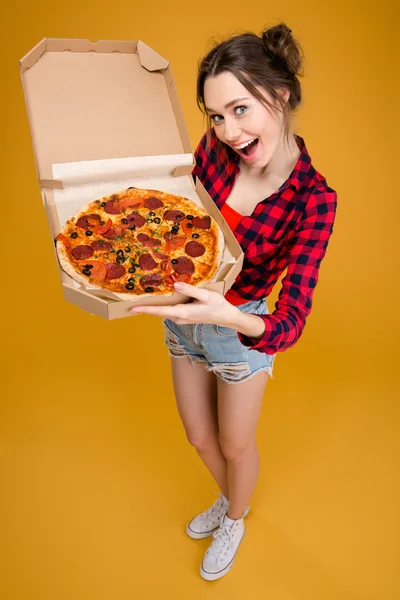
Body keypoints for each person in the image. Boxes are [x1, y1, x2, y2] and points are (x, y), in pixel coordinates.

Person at [131, 22, 337, 581]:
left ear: (281, 94)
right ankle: (229, 501)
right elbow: (181, 223)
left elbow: (291, 318)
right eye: (217, 116)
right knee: (198, 436)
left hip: (240, 334)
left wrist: (231, 316)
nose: (227, 131)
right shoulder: (213, 154)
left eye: (240, 109)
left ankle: (236, 516)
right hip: (183, 320)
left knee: (232, 444)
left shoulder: (315, 200)